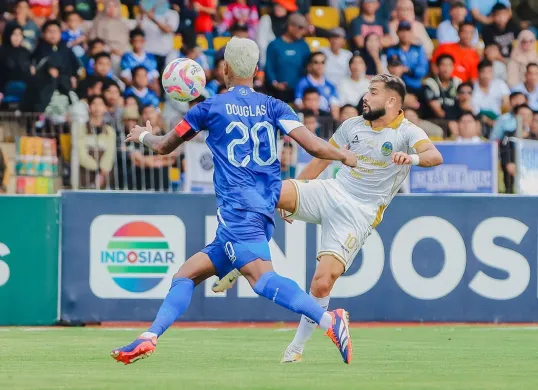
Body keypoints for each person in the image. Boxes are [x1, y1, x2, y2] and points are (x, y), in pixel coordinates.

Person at [111, 37, 357, 365]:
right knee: (186, 275)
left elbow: (163, 146)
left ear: (224, 68)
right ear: (256, 71)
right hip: (261, 206)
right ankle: (149, 336)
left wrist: (142, 134)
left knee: (262, 280)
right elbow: (312, 145)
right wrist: (343, 155)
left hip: (239, 210)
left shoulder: (207, 109)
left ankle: (330, 320)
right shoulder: (275, 106)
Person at [212, 74, 443, 363]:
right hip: (331, 190)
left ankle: (296, 349)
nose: (365, 97)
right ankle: (242, 255)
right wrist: (297, 188)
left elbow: (434, 155)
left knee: (322, 283)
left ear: (392, 100)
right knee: (266, 194)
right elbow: (321, 160)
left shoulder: (407, 132)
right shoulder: (352, 126)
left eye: (373, 92)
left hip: (359, 213)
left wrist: (412, 159)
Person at [265, 13, 310, 103]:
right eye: (300, 28)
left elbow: (307, 66)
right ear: (290, 27)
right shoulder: (274, 45)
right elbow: (269, 66)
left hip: (298, 92)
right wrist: (275, 83)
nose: (303, 31)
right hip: (277, 93)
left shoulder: (304, 46)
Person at [386, 20, 429, 95]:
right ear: (397, 32)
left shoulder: (418, 49)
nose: (405, 34)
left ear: (411, 33)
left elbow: (423, 70)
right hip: (398, 86)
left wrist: (407, 70)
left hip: (416, 86)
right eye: (402, 31)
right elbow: (392, 69)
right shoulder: (392, 50)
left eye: (407, 31)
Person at [294, 52, 340, 119]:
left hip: (326, 120)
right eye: (316, 62)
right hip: (308, 119)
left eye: (323, 62)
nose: (320, 65)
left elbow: (335, 107)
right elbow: (298, 104)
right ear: (309, 65)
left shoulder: (330, 85)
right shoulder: (302, 83)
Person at [256, 0, 294, 69]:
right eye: (276, 5)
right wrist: (264, 65)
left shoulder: (290, 23)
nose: (277, 8)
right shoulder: (266, 19)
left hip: (285, 64)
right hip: (268, 63)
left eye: (281, 6)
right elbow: (261, 44)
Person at [423, 54, 461, 120]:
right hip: (435, 120)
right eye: (443, 65)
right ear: (437, 67)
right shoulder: (430, 83)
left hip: (455, 120)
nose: (446, 69)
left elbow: (464, 104)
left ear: (453, 67)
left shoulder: (458, 82)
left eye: (449, 65)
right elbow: (438, 111)